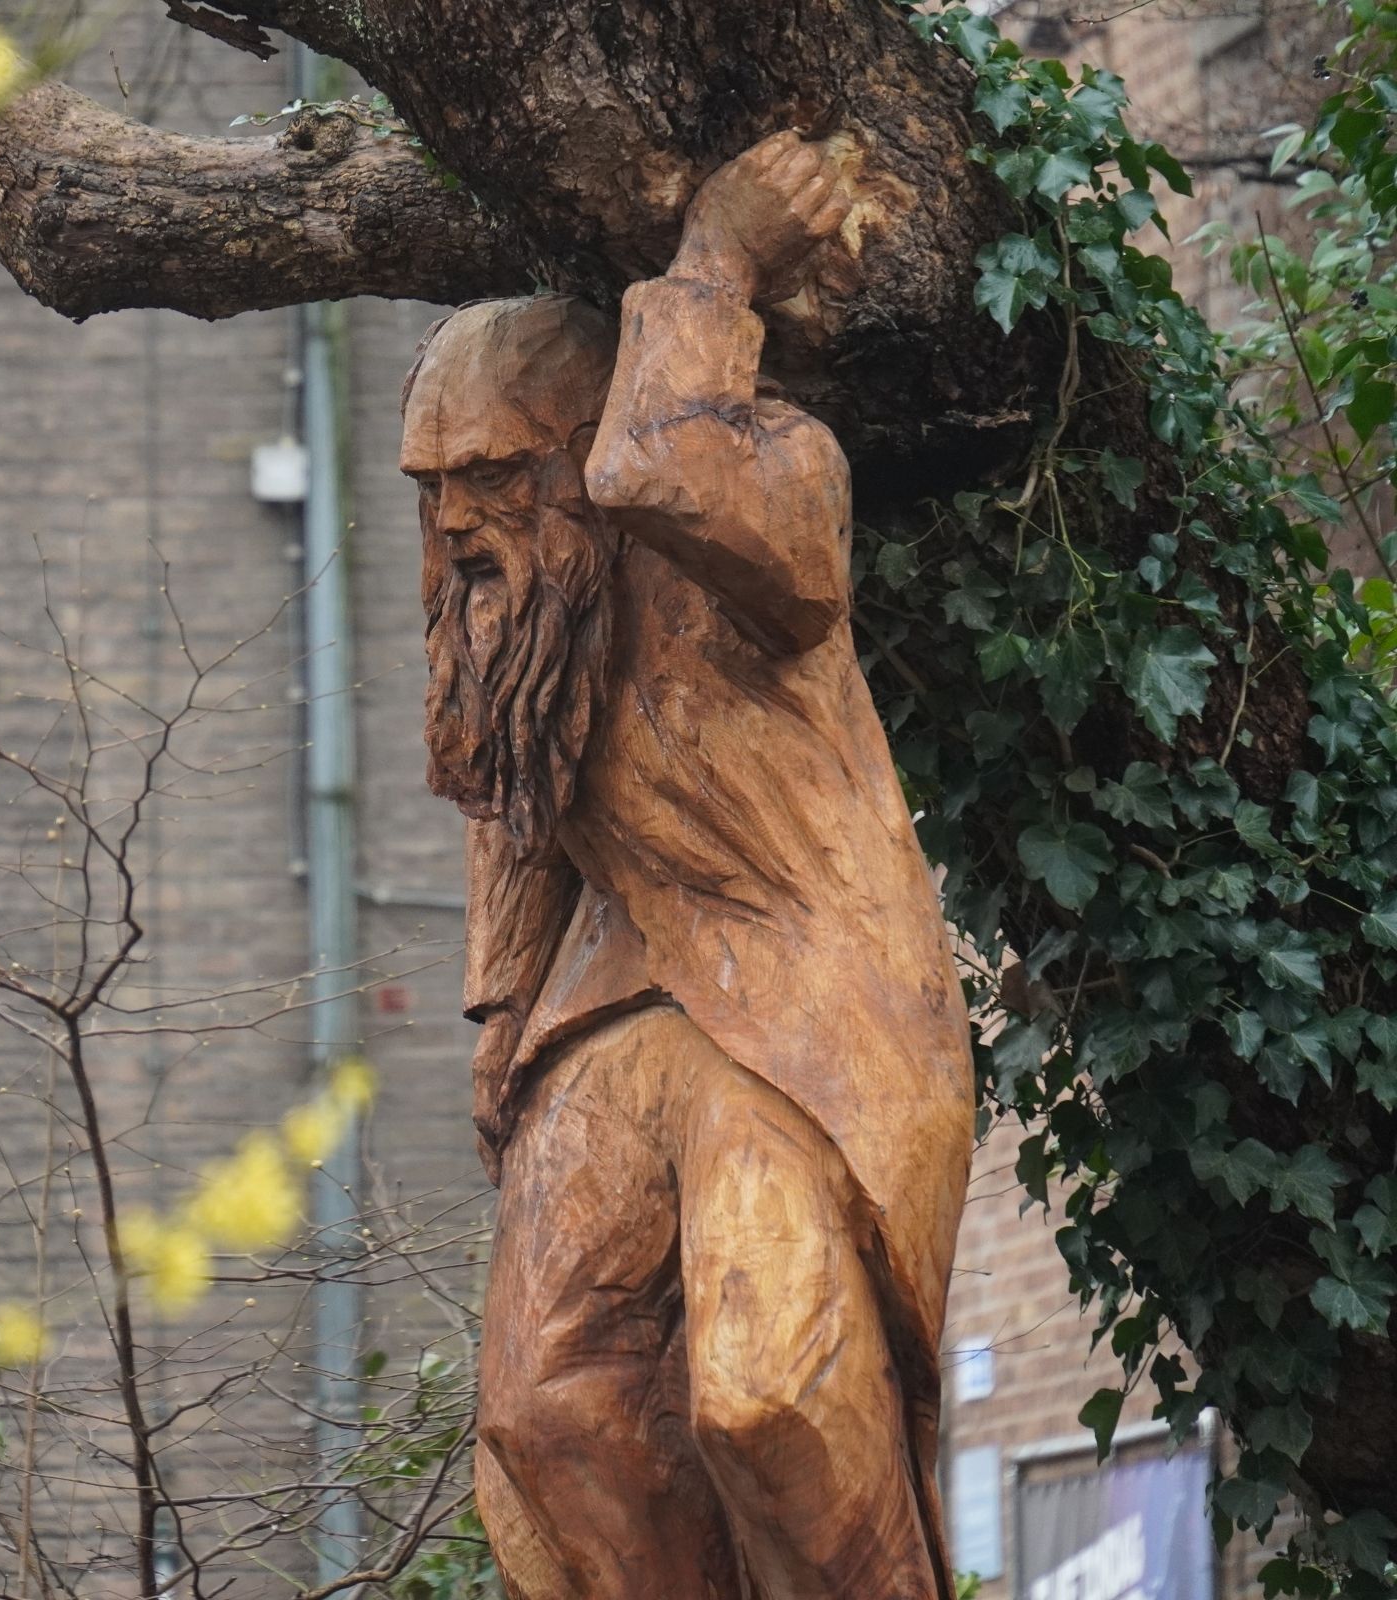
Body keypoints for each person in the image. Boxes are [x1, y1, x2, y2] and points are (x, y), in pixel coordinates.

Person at [401, 132, 975, 1600]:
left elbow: (665, 466)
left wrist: (713, 261)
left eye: (494, 477)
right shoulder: (512, 602)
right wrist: (495, 1012)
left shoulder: (768, 479)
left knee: (767, 1392)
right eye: (432, 484)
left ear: (583, 456)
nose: (459, 519)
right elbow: (509, 788)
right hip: (615, 1006)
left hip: (809, 993)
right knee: (550, 1409)